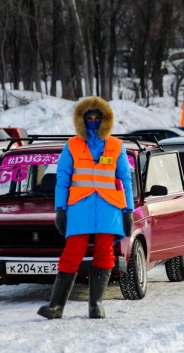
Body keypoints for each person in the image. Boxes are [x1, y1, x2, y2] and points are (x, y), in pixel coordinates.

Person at [38, 96, 134, 320]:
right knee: (72, 253)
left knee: (104, 254)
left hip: (109, 207)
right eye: (88, 117)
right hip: (79, 206)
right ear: (81, 120)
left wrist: (128, 211)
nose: (93, 120)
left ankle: (96, 305)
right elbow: (62, 178)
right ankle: (56, 306)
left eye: (97, 117)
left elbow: (125, 179)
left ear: (105, 119)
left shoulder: (116, 145)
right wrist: (60, 209)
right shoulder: (72, 145)